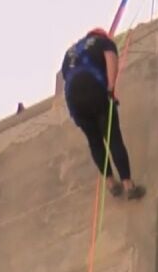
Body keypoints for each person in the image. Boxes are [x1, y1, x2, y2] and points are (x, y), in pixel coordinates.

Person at [60, 28, 143, 200]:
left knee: (95, 141)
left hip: (73, 100)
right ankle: (128, 185)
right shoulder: (104, 43)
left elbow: (66, 78)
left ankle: (111, 183)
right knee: (113, 137)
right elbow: (111, 60)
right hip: (94, 88)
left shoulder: (70, 53)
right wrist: (111, 89)